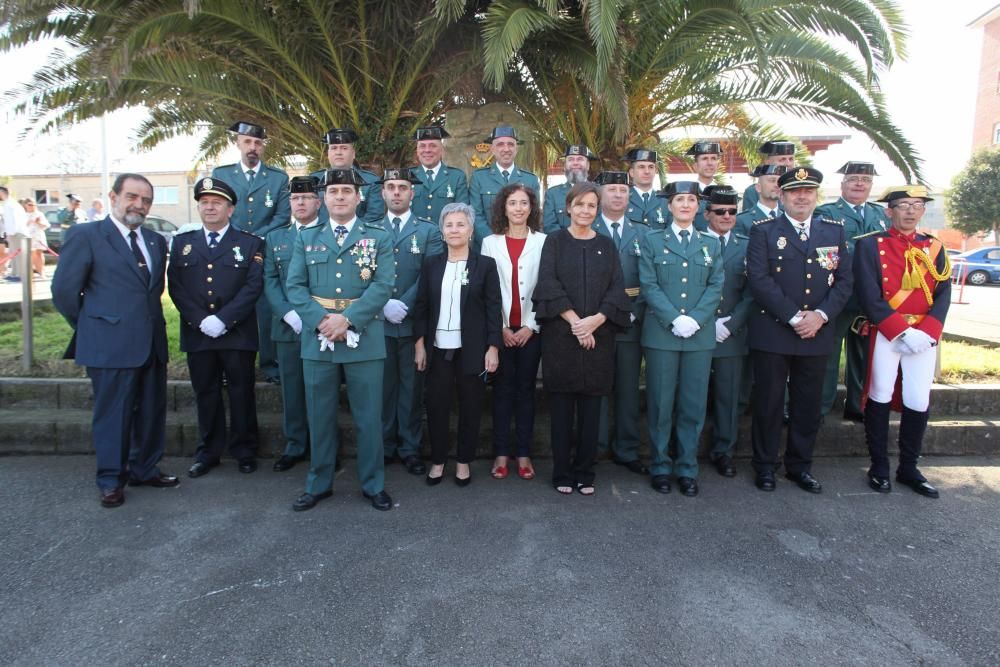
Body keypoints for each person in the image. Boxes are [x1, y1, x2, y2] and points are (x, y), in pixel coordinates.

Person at [51, 173, 175, 508]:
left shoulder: (154, 241)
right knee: (114, 415)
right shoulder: (86, 235)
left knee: (151, 411)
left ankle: (145, 468)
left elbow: (152, 291)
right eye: (132, 197)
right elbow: (64, 292)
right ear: (113, 197)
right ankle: (110, 478)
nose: (139, 205)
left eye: (146, 200)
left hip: (151, 343)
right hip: (108, 344)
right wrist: (93, 326)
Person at [285, 168, 395, 512]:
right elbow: (294, 286)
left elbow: (383, 284)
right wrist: (322, 322)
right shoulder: (306, 237)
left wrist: (347, 320)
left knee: (368, 417)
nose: (341, 197)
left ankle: (373, 484)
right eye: (334, 192)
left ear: (359, 197)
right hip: (319, 340)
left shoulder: (378, 236)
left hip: (363, 338)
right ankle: (318, 483)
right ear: (323, 199)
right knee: (319, 416)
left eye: (347, 191)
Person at [746, 167, 853, 493]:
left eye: (808, 191)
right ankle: (765, 466)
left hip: (817, 333)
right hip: (775, 331)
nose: (802, 197)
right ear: (781, 195)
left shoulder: (833, 232)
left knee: (807, 406)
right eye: (794, 191)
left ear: (816, 195)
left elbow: (845, 281)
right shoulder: (763, 231)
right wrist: (795, 317)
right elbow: (759, 280)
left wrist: (819, 316)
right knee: (769, 404)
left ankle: (800, 466)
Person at [533, 182, 631, 495]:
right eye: (580, 205)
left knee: (591, 412)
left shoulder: (606, 244)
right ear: (568, 208)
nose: (585, 211)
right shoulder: (555, 241)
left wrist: (595, 322)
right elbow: (548, 285)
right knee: (561, 412)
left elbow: (617, 289)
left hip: (598, 340)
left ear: (597, 209)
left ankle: (585, 472)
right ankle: (562, 472)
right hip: (562, 338)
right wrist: (577, 324)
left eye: (591, 205)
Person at [855, 185, 950, 498]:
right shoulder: (870, 246)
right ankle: (879, 466)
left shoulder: (935, 248)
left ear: (922, 210)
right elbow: (869, 294)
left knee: (918, 399)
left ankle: (909, 467)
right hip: (888, 331)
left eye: (916, 205)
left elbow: (943, 295)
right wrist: (898, 329)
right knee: (880, 394)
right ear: (889, 210)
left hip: (923, 337)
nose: (910, 211)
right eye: (903, 205)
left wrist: (928, 331)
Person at [169, 177, 265, 478]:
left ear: (230, 208)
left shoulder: (250, 243)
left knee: (241, 393)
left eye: (217, 202)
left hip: (237, 333)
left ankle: (244, 450)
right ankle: (207, 452)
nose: (209, 207)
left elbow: (253, 287)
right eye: (204, 202)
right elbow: (176, 287)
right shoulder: (183, 243)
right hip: (198, 333)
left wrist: (224, 319)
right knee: (206, 393)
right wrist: (201, 320)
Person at [640, 181, 723, 497]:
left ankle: (687, 467)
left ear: (699, 206)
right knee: (661, 404)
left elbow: (716, 286)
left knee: (692, 405)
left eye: (691, 200)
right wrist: (675, 318)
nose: (686, 205)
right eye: (679, 200)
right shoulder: (652, 241)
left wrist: (695, 320)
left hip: (698, 337)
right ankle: (661, 465)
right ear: (669, 206)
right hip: (662, 334)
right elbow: (648, 284)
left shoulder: (710, 244)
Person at [413, 203, 501, 486]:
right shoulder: (431, 265)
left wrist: (493, 347)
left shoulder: (485, 265)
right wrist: (419, 344)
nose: (455, 229)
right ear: (442, 231)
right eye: (449, 224)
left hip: (472, 349)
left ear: (471, 230)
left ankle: (463, 462)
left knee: (471, 407)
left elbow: (493, 308)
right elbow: (422, 306)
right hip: (438, 349)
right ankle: (438, 460)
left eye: (460, 224)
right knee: (437, 406)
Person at [212, 121, 290, 384]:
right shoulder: (222, 176)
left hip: (264, 251)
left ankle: (270, 364)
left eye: (257, 142)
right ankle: (230, 364)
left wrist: (257, 237)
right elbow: (219, 209)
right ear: (238, 143)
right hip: (231, 252)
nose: (253, 147)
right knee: (230, 304)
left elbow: (282, 215)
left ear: (263, 146)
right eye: (247, 142)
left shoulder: (278, 178)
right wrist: (239, 239)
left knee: (267, 309)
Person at [815, 161, 892, 421]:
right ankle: (821, 406)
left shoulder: (880, 215)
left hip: (869, 297)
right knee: (828, 352)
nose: (859, 184)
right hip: (836, 295)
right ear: (843, 184)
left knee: (864, 352)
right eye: (854, 179)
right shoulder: (825, 212)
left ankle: (858, 404)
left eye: (865, 180)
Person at [380, 167, 444, 476]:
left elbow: (430, 273)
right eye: (391, 186)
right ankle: (383, 446)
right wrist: (382, 304)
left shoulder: (429, 231)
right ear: (382, 192)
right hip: (376, 324)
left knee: (410, 390)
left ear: (412, 193)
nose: (396, 192)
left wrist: (402, 304)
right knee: (381, 389)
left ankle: (409, 448)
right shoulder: (370, 228)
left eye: (402, 187)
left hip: (411, 324)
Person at [481, 184, 546, 480]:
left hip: (532, 330)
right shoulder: (489, 243)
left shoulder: (545, 242)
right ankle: (500, 453)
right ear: (503, 208)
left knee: (526, 392)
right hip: (501, 330)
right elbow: (487, 290)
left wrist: (531, 326)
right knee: (502, 392)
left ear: (531, 208)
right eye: (512, 203)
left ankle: (523, 453)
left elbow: (546, 287)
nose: (518, 208)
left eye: (523, 203)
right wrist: (502, 327)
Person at [263, 176, 322, 473]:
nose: (300, 203)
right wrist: (288, 313)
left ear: (318, 202)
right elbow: (270, 281)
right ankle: (295, 445)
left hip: (321, 327)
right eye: (295, 199)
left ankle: (324, 448)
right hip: (287, 327)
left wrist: (312, 316)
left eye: (307, 197)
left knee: (321, 391)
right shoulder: (276, 238)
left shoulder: (328, 233)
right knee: (293, 391)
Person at [593, 170, 649, 475]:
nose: (618, 195)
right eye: (612, 189)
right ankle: (596, 445)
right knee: (597, 386)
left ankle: (627, 449)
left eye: (623, 191)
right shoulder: (587, 226)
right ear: (601, 195)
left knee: (628, 389)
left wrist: (633, 311)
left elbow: (650, 279)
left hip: (630, 320)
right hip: (596, 323)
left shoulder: (643, 233)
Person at [702, 187, 752, 478]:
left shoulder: (748, 245)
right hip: (698, 329)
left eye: (732, 211)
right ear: (707, 214)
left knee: (728, 396)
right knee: (690, 395)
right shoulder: (694, 241)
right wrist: (707, 323)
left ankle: (724, 451)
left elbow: (753, 291)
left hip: (731, 332)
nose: (726, 216)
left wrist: (731, 324)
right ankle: (684, 449)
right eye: (720, 211)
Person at [469, 125, 540, 248]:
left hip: (522, 245)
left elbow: (534, 215)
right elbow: (476, 215)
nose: (506, 149)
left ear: (516, 148)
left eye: (511, 144)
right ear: (492, 149)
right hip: (486, 246)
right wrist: (493, 242)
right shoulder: (478, 177)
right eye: (500, 144)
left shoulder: (530, 179)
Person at [309, 127, 385, 224]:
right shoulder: (314, 180)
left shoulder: (371, 181)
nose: (338, 152)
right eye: (334, 148)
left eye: (344, 148)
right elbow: (309, 216)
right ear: (328, 154)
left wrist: (347, 232)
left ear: (353, 154)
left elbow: (374, 218)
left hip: (360, 237)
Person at [409, 126, 469, 225]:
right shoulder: (408, 176)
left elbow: (462, 214)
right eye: (422, 146)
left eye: (433, 146)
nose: (427, 150)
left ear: (442, 150)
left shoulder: (456, 177)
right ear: (417, 151)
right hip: (414, 238)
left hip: (445, 237)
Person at [542, 144, 598, 233]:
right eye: (571, 159)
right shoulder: (552, 194)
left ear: (588, 165)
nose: (575, 163)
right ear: (565, 166)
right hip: (563, 245)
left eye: (580, 159)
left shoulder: (600, 192)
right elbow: (549, 227)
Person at [623, 148, 671, 230]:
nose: (647, 171)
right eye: (641, 167)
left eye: (651, 167)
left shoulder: (665, 201)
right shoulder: (622, 199)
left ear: (655, 170)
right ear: (631, 172)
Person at [742, 141, 796, 212]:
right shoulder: (754, 192)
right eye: (782, 159)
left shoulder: (798, 188)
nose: (788, 164)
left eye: (791, 159)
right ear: (767, 162)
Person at [735, 164, 786, 235]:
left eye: (780, 182)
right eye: (772, 180)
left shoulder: (788, 218)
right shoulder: (742, 220)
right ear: (758, 188)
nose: (777, 185)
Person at [687, 141, 725, 231]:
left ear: (718, 165)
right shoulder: (687, 194)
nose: (709, 163)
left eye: (713, 158)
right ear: (695, 166)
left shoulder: (726, 193)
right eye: (704, 159)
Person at [21, 198, 50, 278]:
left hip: (38, 236)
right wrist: (29, 222)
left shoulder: (39, 214)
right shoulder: (22, 214)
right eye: (30, 205)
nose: (32, 206)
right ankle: (31, 272)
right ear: (25, 205)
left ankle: (41, 271)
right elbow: (21, 227)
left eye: (33, 205)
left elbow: (46, 225)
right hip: (28, 237)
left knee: (39, 253)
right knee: (30, 254)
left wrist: (38, 222)